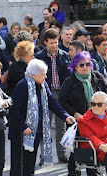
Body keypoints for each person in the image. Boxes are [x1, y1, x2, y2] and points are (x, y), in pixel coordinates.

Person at [8, 59, 74, 176]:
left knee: (30, 163)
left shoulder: (42, 85)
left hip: (35, 131)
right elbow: (14, 110)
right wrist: (23, 127)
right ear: (33, 75)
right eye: (43, 75)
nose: (45, 77)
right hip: (20, 133)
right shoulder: (23, 85)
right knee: (18, 163)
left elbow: (52, 102)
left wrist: (65, 116)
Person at [59, 51, 107, 176]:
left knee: (94, 150)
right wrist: (75, 114)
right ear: (75, 66)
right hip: (78, 122)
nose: (85, 67)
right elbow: (62, 102)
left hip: (98, 121)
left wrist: (105, 110)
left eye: (88, 64)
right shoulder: (70, 82)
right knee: (77, 152)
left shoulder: (98, 78)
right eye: (81, 64)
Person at [35, 28, 71, 163]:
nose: (54, 46)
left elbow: (67, 76)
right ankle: (45, 156)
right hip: (46, 93)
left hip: (61, 94)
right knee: (45, 125)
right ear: (45, 42)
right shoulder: (39, 56)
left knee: (61, 126)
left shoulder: (64, 55)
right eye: (51, 43)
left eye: (56, 42)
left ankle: (62, 155)